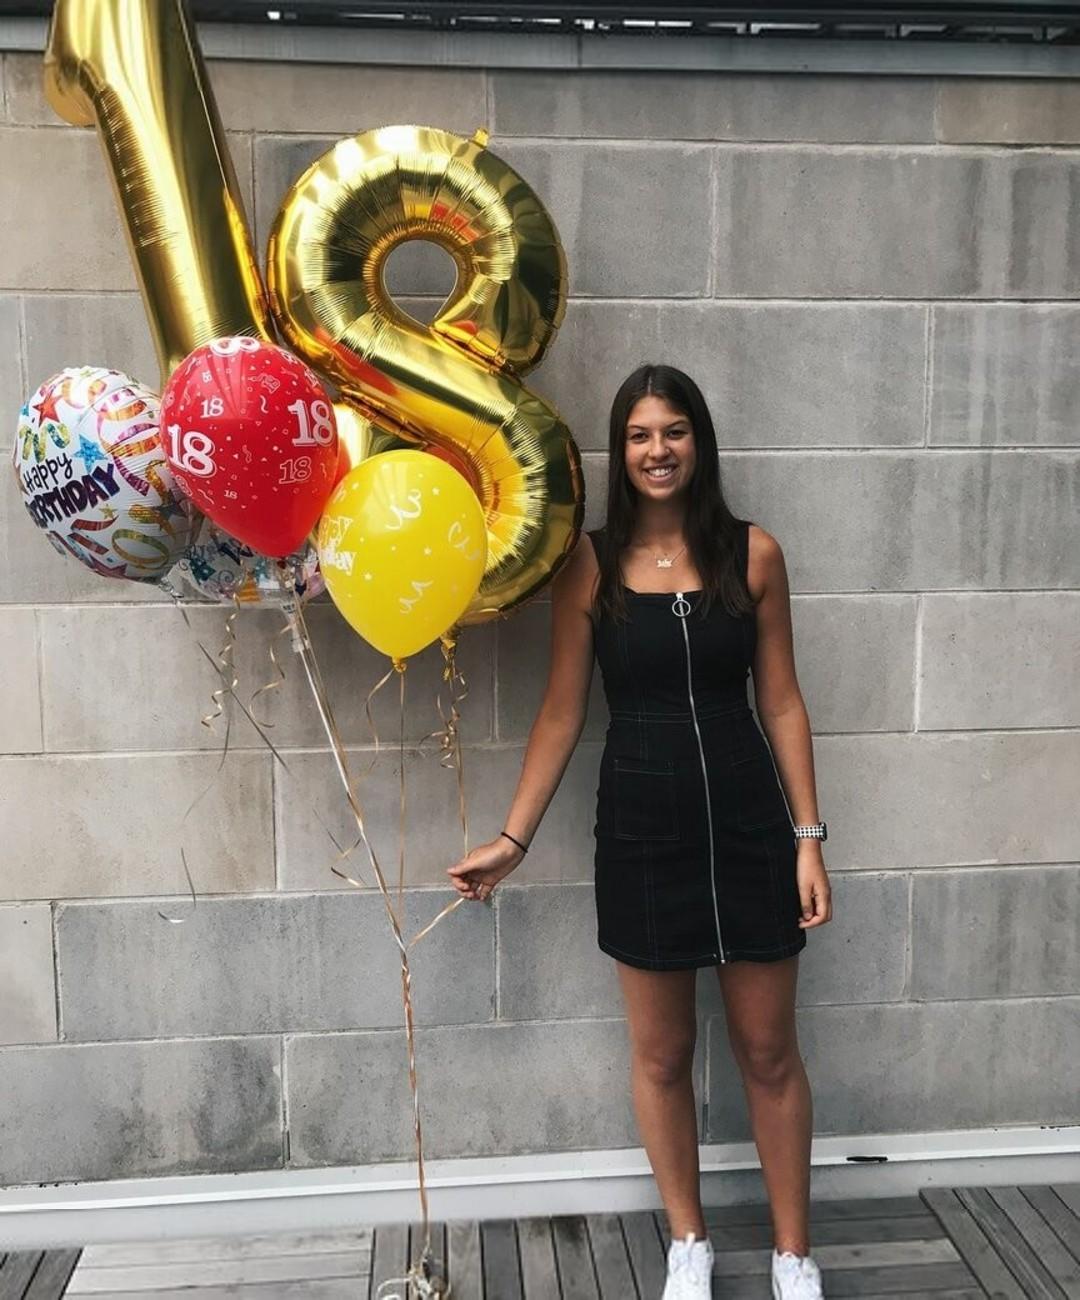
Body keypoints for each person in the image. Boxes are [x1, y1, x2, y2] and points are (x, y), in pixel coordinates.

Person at [448, 364, 832, 1300]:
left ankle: (793, 1257)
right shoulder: (588, 565)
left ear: (699, 441)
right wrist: (513, 838)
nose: (658, 450)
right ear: (619, 452)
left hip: (750, 827)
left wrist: (808, 837)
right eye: (639, 435)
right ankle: (688, 1244)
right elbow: (560, 711)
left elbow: (782, 702)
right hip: (641, 832)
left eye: (674, 431)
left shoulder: (755, 555)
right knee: (661, 1056)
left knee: (769, 1053)